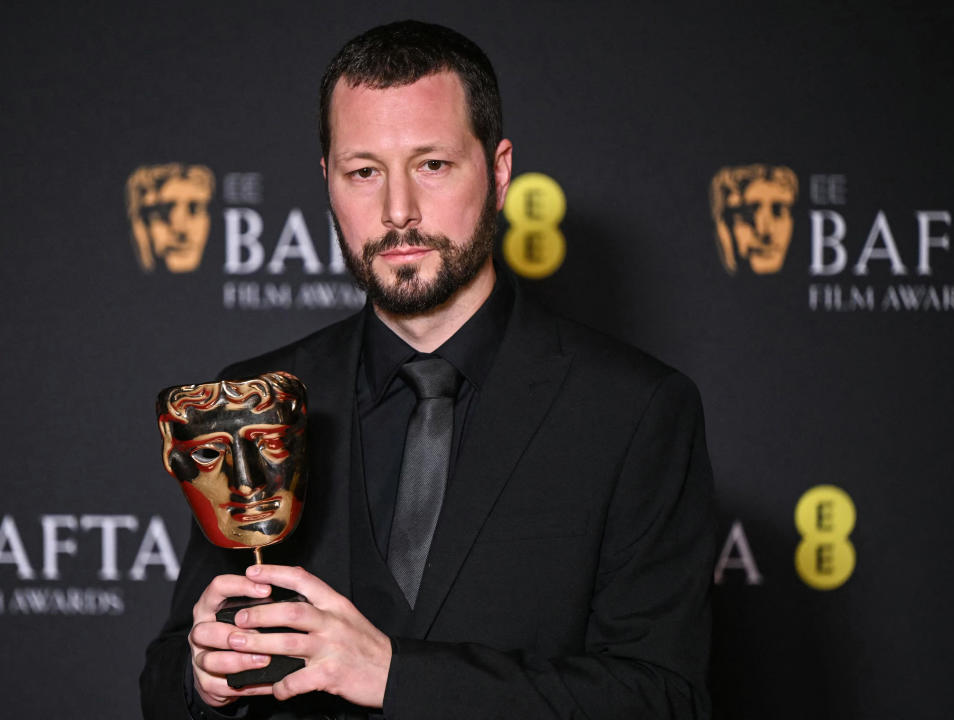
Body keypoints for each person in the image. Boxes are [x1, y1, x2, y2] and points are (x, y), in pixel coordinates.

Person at [141, 20, 715, 719]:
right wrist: (205, 679)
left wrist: (394, 675)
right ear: (327, 181)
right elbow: (168, 676)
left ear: (499, 172)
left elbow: (664, 699)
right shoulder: (256, 402)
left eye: (432, 165)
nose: (398, 211)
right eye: (364, 172)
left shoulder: (635, 410)